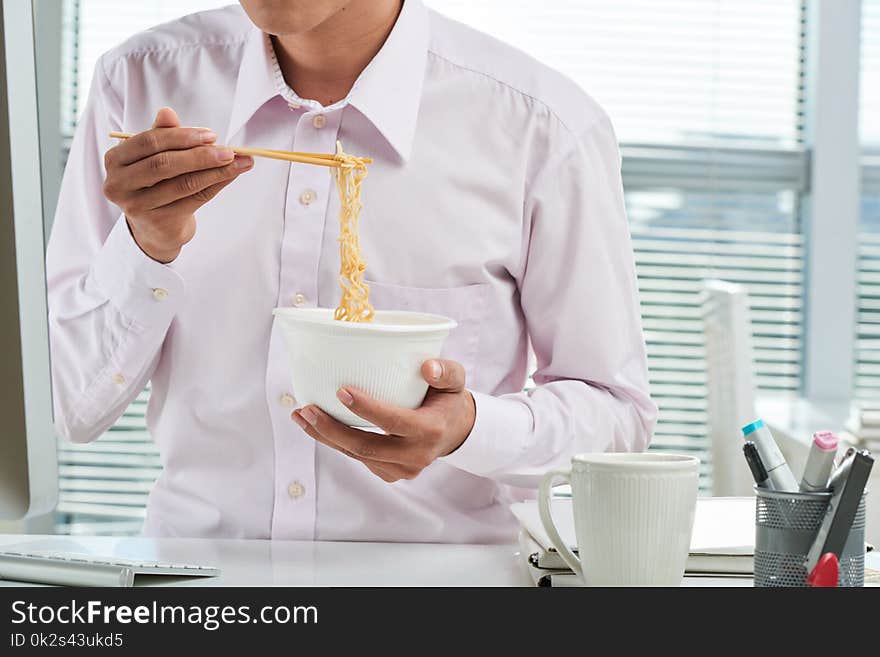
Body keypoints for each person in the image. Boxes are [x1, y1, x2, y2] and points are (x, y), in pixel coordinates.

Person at [47, 0, 657, 541]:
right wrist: (146, 244)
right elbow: (70, 405)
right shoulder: (139, 84)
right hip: (199, 590)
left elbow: (616, 413)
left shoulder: (541, 126)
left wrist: (472, 428)